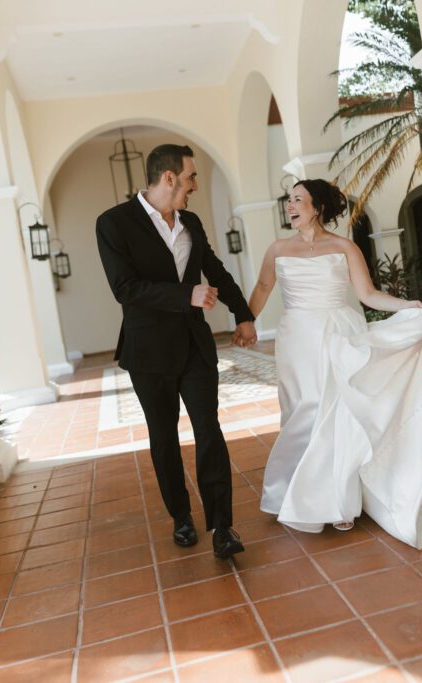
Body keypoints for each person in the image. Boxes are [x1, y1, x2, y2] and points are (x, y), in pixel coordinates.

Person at [248, 179, 422, 548]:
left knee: (336, 411)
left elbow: (367, 295)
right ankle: (294, 490)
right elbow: (262, 288)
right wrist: (245, 323)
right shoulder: (277, 249)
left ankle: (337, 499)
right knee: (302, 410)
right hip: (297, 338)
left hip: (339, 332)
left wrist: (406, 306)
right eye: (289, 200)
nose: (290, 205)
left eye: (298, 199)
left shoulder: (344, 247)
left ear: (317, 207)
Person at [95, 144, 257, 559]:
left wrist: (243, 313)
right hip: (147, 353)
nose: (195, 186)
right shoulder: (113, 223)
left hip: (194, 347)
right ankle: (181, 517)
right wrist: (187, 295)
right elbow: (125, 289)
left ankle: (223, 526)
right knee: (164, 438)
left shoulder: (192, 222)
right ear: (169, 178)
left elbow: (214, 269)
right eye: (191, 177)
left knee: (209, 431)